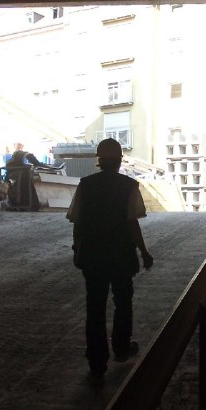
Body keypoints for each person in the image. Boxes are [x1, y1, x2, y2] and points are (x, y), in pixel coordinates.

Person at [66, 138, 154, 381]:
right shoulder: (129, 186)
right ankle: (122, 348)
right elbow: (132, 223)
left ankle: (97, 363)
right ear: (119, 162)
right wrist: (144, 252)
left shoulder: (86, 185)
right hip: (121, 256)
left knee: (95, 308)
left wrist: (77, 249)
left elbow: (78, 221)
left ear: (99, 161)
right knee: (123, 302)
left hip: (93, 256)